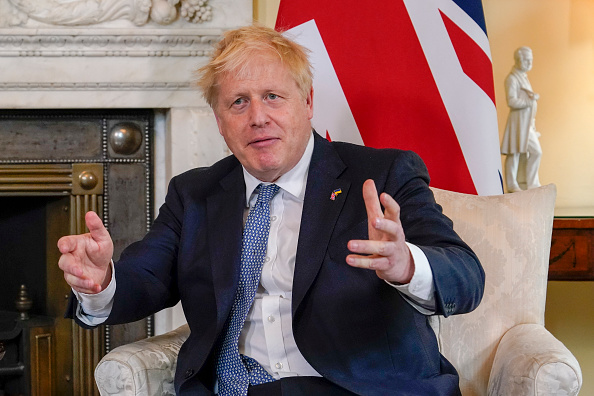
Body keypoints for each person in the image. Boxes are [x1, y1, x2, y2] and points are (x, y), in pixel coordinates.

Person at [58, 25, 484, 395]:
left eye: (273, 96)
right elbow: (145, 279)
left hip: (357, 389)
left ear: (307, 101)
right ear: (219, 119)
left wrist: (406, 264)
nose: (258, 117)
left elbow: (465, 276)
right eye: (238, 102)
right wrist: (101, 283)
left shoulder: (382, 174)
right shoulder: (195, 193)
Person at [500, 46, 542, 193]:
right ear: (519, 60)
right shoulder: (512, 79)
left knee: (536, 151)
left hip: (527, 123)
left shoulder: (523, 77)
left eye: (531, 60)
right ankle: (512, 185)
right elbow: (511, 101)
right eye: (526, 60)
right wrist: (529, 102)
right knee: (514, 152)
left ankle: (531, 183)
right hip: (518, 123)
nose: (529, 63)